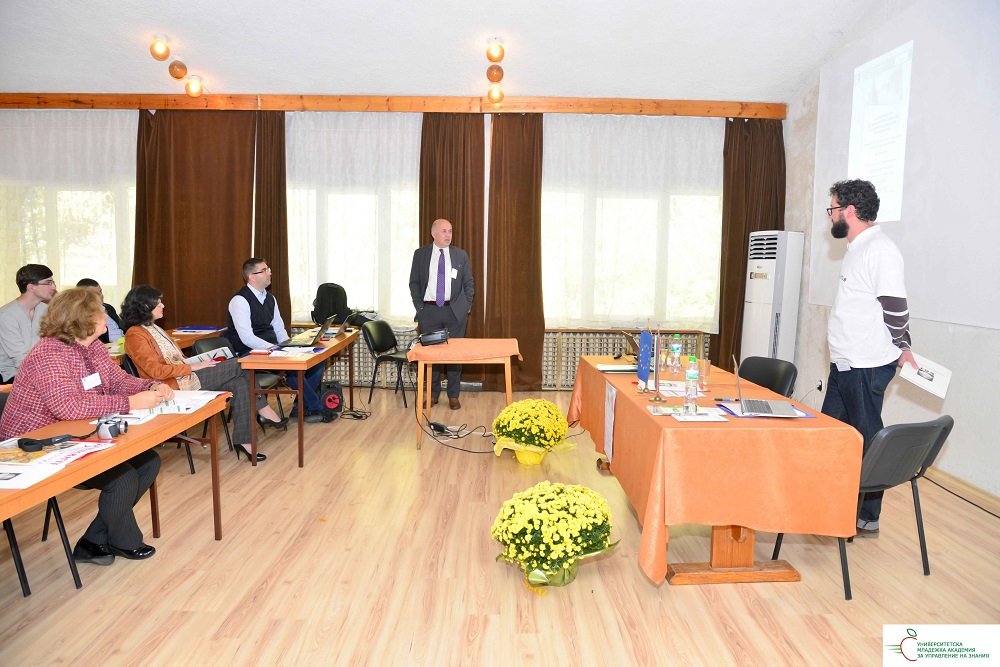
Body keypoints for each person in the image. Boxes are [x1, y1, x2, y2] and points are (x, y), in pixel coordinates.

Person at [0, 287, 174, 565]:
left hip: (76, 432)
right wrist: (130, 403)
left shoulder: (92, 347)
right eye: (100, 311)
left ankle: (94, 540)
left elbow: (118, 381)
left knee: (148, 462)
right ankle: (120, 540)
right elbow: (68, 407)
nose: (106, 315)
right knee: (123, 478)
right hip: (35, 445)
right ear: (83, 319)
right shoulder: (49, 353)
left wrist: (150, 386)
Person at [822, 179, 918, 538]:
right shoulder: (858, 248)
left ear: (849, 211)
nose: (830, 216)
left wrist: (903, 346)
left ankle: (867, 516)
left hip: (865, 365)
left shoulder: (880, 250)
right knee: (832, 437)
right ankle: (831, 508)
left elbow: (896, 307)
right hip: (845, 363)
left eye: (832, 209)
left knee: (867, 440)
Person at [121, 285, 288, 463]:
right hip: (173, 387)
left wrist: (198, 362)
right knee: (241, 364)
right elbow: (155, 371)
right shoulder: (135, 335)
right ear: (144, 307)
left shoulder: (154, 328)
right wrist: (192, 367)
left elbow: (178, 359)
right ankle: (263, 410)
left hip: (185, 377)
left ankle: (244, 441)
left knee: (241, 382)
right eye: (158, 303)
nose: (163, 305)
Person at [224, 258, 325, 423]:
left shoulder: (270, 298)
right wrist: (276, 349)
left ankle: (299, 408)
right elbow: (247, 338)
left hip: (273, 349)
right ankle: (315, 408)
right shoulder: (240, 301)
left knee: (316, 363)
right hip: (249, 353)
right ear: (252, 277)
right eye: (264, 270)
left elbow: (279, 328)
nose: (269, 273)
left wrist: (289, 347)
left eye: (268, 269)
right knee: (293, 369)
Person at [408, 218, 475, 410]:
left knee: (455, 355)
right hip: (429, 312)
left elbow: (469, 283)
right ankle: (433, 394)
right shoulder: (420, 254)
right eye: (444, 231)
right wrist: (420, 308)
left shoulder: (460, 255)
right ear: (434, 233)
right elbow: (414, 283)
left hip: (454, 312)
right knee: (432, 356)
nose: (448, 235)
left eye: (450, 231)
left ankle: (453, 395)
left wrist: (466, 306)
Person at [0, 264, 58, 383]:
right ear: (31, 287)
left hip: (42, 370)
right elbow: (20, 359)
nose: (53, 287)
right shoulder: (6, 315)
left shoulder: (46, 310)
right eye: (48, 282)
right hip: (13, 375)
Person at [76, 278, 124, 344]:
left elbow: (121, 328)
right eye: (95, 294)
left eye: (100, 292)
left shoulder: (109, 308)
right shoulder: (81, 316)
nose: (101, 296)